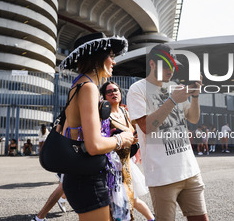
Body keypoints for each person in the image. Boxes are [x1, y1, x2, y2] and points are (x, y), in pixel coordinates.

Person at [127, 44, 208, 221]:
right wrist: (172, 100)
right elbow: (146, 127)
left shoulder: (174, 86)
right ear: (153, 64)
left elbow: (193, 118)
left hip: (190, 170)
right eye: (166, 64)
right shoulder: (137, 89)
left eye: (173, 65)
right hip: (162, 175)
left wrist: (195, 96)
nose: (170, 70)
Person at [59, 32, 135, 220]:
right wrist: (122, 139)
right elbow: (93, 146)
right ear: (97, 57)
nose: (113, 62)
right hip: (87, 178)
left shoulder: (80, 85)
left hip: (82, 175)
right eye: (110, 56)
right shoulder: (88, 88)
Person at [101, 81, 155, 221]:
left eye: (116, 90)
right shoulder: (103, 115)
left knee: (131, 198)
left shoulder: (126, 112)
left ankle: (151, 219)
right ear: (104, 96)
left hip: (127, 163)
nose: (113, 93)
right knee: (116, 203)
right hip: (111, 167)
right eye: (109, 91)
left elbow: (138, 131)